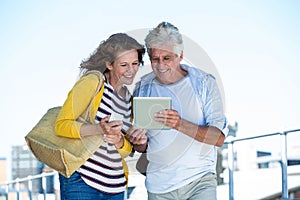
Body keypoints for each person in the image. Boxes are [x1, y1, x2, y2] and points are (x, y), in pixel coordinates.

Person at [128, 22, 227, 200]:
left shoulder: (204, 83)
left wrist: (179, 124)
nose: (160, 65)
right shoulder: (143, 88)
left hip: (200, 181)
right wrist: (138, 141)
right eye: (155, 59)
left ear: (180, 55)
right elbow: (143, 147)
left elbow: (218, 138)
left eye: (167, 58)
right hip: (159, 187)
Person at [55, 33, 145, 200]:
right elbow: (61, 125)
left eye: (135, 63)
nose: (131, 70)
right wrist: (98, 128)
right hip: (80, 180)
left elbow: (125, 151)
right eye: (124, 65)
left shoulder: (128, 99)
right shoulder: (92, 82)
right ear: (109, 64)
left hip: (115, 185)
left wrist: (118, 141)